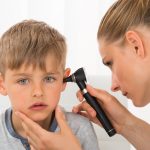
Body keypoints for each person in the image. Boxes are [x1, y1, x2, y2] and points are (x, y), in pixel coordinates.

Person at [13, 0, 150, 149]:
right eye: (23, 81)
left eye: (110, 63)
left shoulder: (79, 129)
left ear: (136, 46)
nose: (113, 86)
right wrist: (125, 123)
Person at [0, 20, 99, 150]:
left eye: (49, 79)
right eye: (23, 81)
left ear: (63, 80)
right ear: (2, 85)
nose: (38, 92)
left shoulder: (79, 128)